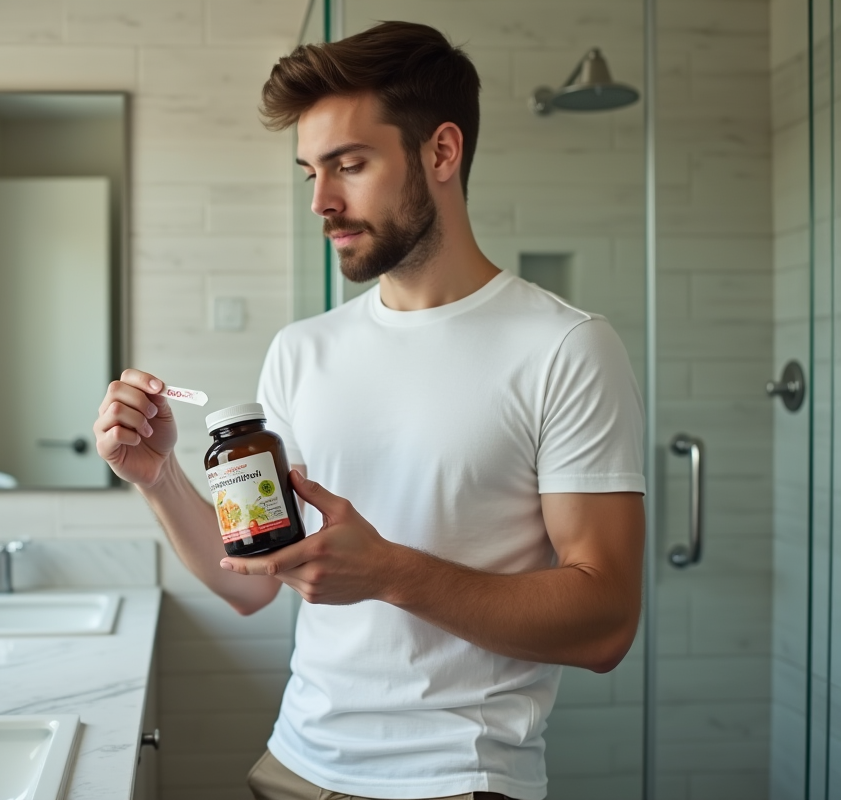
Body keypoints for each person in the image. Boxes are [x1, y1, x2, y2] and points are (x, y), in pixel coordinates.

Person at [93, 20, 645, 800]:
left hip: (456, 780)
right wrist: (159, 479)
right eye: (309, 172)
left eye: (349, 164)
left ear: (441, 153)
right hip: (293, 763)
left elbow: (606, 622)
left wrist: (391, 572)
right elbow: (253, 585)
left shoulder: (564, 348)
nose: (321, 201)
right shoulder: (300, 351)